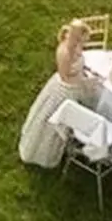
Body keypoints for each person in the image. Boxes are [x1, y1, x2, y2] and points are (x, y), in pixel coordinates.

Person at [18, 19, 93, 168]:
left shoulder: (76, 46)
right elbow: (66, 75)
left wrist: (84, 72)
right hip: (65, 91)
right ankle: (44, 153)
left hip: (76, 85)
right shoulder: (63, 52)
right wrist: (84, 80)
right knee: (52, 123)